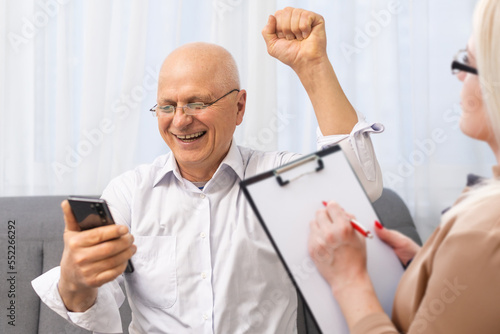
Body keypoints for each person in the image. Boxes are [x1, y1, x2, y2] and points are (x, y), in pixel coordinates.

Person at [32, 7, 383, 333]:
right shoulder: (128, 193)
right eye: (167, 106)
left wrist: (314, 65)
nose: (181, 121)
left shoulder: (277, 177)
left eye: (198, 103)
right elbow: (94, 305)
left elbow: (356, 188)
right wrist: (76, 279)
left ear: (239, 107)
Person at [308, 0, 500, 333]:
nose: (458, 75)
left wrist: (350, 281)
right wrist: (429, 264)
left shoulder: (483, 234)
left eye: (468, 61)